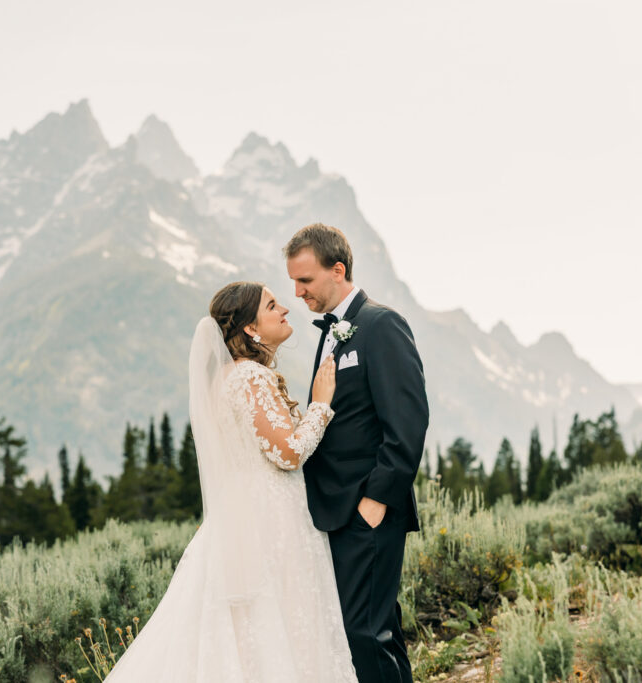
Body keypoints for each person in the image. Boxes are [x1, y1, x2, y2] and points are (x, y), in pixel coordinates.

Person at [104, 281, 358, 682]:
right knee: (284, 622)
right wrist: (321, 406)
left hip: (245, 517)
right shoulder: (250, 377)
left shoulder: (227, 377)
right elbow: (287, 453)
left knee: (251, 632)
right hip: (271, 522)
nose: (285, 310)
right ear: (251, 329)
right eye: (273, 306)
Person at [285, 223, 430, 683]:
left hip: (368, 508)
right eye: (293, 282)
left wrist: (376, 500)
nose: (297, 291)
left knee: (363, 633)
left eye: (305, 280)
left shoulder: (381, 325)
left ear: (338, 270)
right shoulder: (332, 333)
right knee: (377, 629)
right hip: (337, 511)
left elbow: (407, 422)